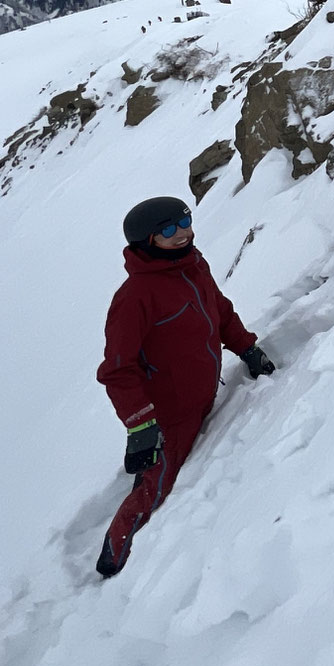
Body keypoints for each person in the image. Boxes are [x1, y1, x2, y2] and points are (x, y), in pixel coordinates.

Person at [94, 196, 276, 578]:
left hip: (203, 389)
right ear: (147, 241)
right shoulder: (134, 298)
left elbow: (219, 312)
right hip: (170, 413)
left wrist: (246, 347)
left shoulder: (194, 265)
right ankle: (113, 555)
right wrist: (142, 427)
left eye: (185, 221)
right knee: (156, 485)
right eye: (168, 230)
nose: (183, 234)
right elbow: (117, 370)